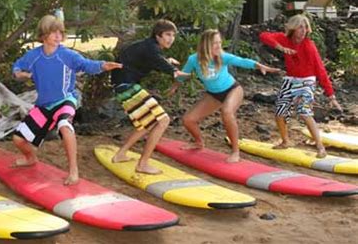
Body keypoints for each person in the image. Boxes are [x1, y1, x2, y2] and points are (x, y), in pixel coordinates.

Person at [11, 15, 122, 185]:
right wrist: (20, 73)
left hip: (65, 100)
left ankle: (73, 171)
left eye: (60, 32)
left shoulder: (67, 55)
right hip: (43, 105)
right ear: (43, 35)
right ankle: (31, 158)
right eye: (53, 32)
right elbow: (17, 67)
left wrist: (102, 65)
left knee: (64, 125)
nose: (58, 36)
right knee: (18, 139)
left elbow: (87, 64)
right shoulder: (33, 56)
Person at [168, 29, 280, 163]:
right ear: (206, 44)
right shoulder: (194, 59)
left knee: (226, 112)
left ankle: (235, 151)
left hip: (233, 90)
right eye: (215, 43)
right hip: (214, 95)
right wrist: (174, 86)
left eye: (219, 43)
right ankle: (198, 142)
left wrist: (259, 66)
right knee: (188, 120)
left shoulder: (222, 56)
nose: (219, 46)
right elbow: (184, 74)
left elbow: (241, 61)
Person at [110, 19, 188, 174]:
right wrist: (175, 71)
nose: (171, 38)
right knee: (162, 120)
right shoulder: (151, 48)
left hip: (123, 86)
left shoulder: (148, 46)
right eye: (167, 34)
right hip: (127, 86)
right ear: (157, 35)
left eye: (173, 35)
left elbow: (153, 60)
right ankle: (142, 164)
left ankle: (120, 154)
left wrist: (168, 63)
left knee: (147, 124)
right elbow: (158, 60)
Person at [259, 14, 342, 158]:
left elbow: (320, 69)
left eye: (305, 27)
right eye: (300, 27)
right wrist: (280, 47)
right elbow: (264, 36)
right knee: (279, 113)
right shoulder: (285, 39)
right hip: (290, 80)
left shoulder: (309, 46)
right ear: (293, 28)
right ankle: (285, 141)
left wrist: (331, 95)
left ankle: (320, 147)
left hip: (307, 81)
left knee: (304, 112)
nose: (303, 30)